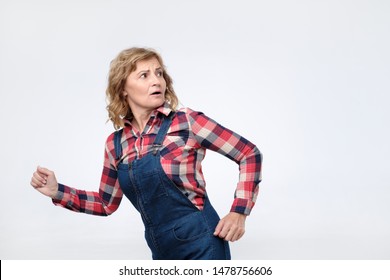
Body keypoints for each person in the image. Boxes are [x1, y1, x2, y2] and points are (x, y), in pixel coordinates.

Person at [30, 47, 262, 260]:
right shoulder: (116, 144)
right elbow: (105, 203)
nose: (156, 81)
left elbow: (249, 154)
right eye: (144, 75)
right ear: (122, 89)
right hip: (160, 248)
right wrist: (57, 191)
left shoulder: (187, 122)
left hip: (202, 243)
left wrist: (239, 212)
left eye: (159, 74)